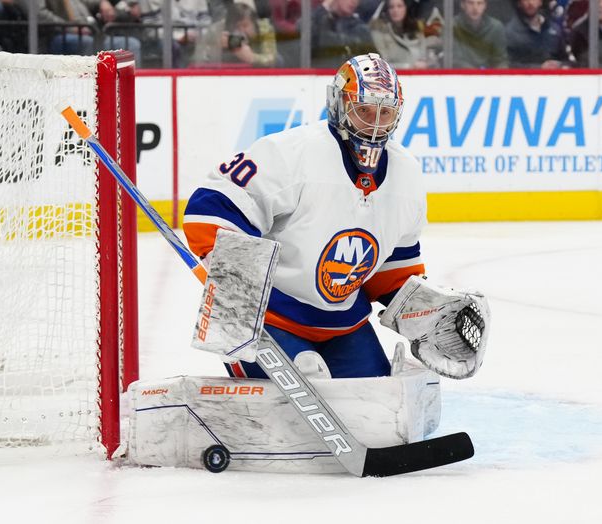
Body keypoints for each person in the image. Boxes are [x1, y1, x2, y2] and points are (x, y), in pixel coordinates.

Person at [183, 53, 426, 379]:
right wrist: (234, 287)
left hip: (342, 324)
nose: (374, 123)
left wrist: (426, 316)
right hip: (269, 318)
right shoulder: (291, 153)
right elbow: (210, 208)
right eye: (364, 110)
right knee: (304, 397)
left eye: (385, 113)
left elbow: (394, 269)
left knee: (378, 403)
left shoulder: (407, 175)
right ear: (339, 105)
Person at [191, 1, 279, 66]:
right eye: (237, 26)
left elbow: (271, 59)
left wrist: (252, 58)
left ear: (254, 22)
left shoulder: (265, 28)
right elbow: (197, 60)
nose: (241, 31)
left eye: (245, 26)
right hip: (225, 71)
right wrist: (215, 48)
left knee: (279, 60)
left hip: (257, 71)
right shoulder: (218, 28)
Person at [311, 0, 377, 68]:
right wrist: (324, 8)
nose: (354, 2)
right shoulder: (320, 21)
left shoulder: (361, 29)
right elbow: (305, 35)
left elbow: (374, 62)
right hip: (321, 75)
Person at [505, 0, 569, 68]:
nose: (530, 3)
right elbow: (508, 65)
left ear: (540, 2)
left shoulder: (554, 29)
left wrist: (560, 65)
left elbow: (566, 60)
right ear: (519, 3)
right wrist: (540, 68)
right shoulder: (510, 33)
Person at [370, 0, 433, 68]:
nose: (395, 10)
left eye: (399, 6)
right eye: (391, 7)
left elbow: (428, 57)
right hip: (397, 76)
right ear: (387, 10)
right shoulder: (379, 32)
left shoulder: (416, 30)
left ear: (406, 8)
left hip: (422, 75)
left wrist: (426, 64)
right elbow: (382, 63)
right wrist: (410, 66)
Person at [452, 0, 508, 68]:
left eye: (480, 3)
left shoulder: (496, 27)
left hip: (489, 75)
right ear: (462, 5)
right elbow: (456, 60)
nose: (475, 8)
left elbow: (500, 60)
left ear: (485, 6)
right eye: (470, 3)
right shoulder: (452, 26)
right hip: (463, 75)